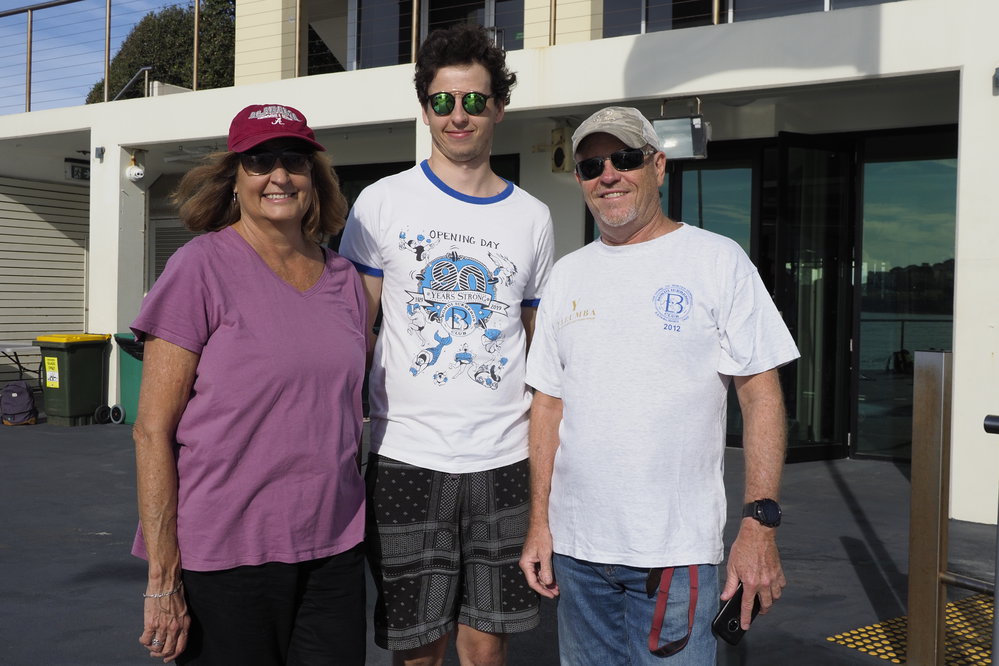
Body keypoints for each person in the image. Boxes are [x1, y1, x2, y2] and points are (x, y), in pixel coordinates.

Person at [518, 106, 800, 665]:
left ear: (658, 166)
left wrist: (759, 523)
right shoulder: (567, 274)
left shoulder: (717, 261)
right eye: (591, 165)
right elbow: (548, 405)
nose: (608, 174)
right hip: (576, 553)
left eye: (625, 158)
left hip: (673, 556)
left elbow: (760, 394)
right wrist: (538, 525)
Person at [338, 23, 555, 666]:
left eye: (474, 100)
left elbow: (541, 349)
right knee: (418, 649)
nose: (457, 115)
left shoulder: (533, 218)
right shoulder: (380, 204)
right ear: (424, 107)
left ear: (499, 108)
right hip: (406, 455)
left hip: (506, 460)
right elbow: (354, 331)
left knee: (487, 647)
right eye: (442, 101)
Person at [131, 103, 367, 665]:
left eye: (294, 160)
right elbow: (150, 431)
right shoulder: (199, 267)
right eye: (259, 161)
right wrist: (163, 575)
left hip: (333, 546)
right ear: (235, 179)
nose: (279, 175)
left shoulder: (345, 279)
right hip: (226, 553)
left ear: (315, 178)